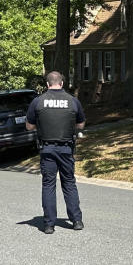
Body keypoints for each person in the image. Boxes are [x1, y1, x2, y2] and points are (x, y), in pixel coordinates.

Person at [26, 70, 85, 234]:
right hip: (66, 147)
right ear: (62, 83)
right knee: (69, 183)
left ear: (47, 84)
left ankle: (49, 224)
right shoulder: (73, 101)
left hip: (47, 148)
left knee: (48, 185)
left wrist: (43, 125)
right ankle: (76, 220)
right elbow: (80, 124)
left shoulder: (38, 102)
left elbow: (29, 126)